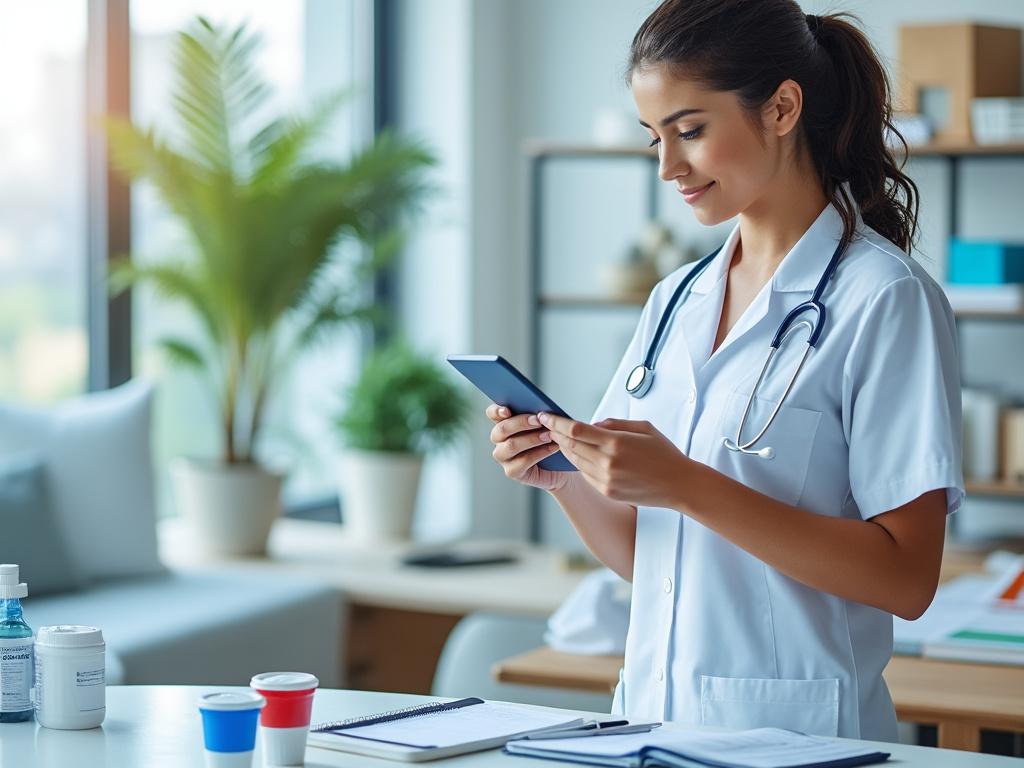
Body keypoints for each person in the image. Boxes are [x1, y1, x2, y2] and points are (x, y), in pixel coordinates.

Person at [485, 0, 964, 742]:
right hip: (649, 728)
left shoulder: (884, 297)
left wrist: (686, 483)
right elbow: (654, 558)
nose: (667, 167)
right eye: (655, 138)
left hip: (799, 740)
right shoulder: (674, 299)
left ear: (782, 108)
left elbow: (906, 579)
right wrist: (565, 476)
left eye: (690, 131)